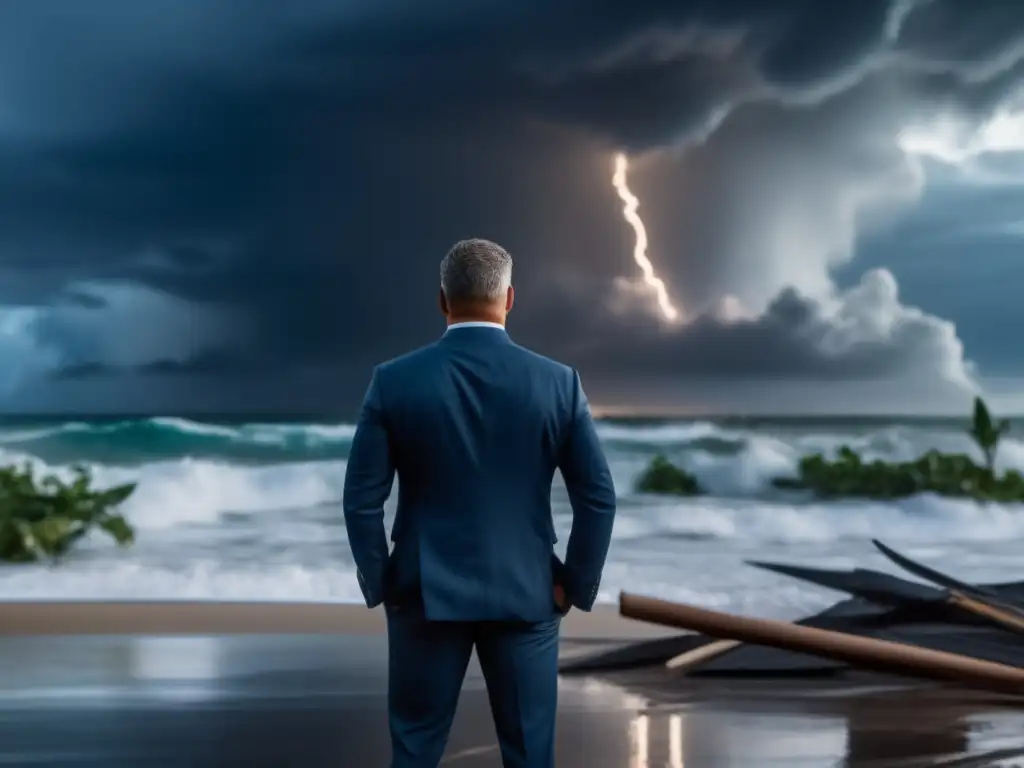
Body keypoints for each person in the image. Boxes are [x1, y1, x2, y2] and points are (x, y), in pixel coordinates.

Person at [343, 238, 617, 768]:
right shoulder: (560, 383)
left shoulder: (393, 380)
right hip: (526, 592)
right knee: (529, 754)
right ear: (510, 299)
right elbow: (598, 498)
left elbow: (361, 499)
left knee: (415, 750)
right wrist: (573, 585)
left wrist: (384, 582)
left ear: (442, 300)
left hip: (423, 592)